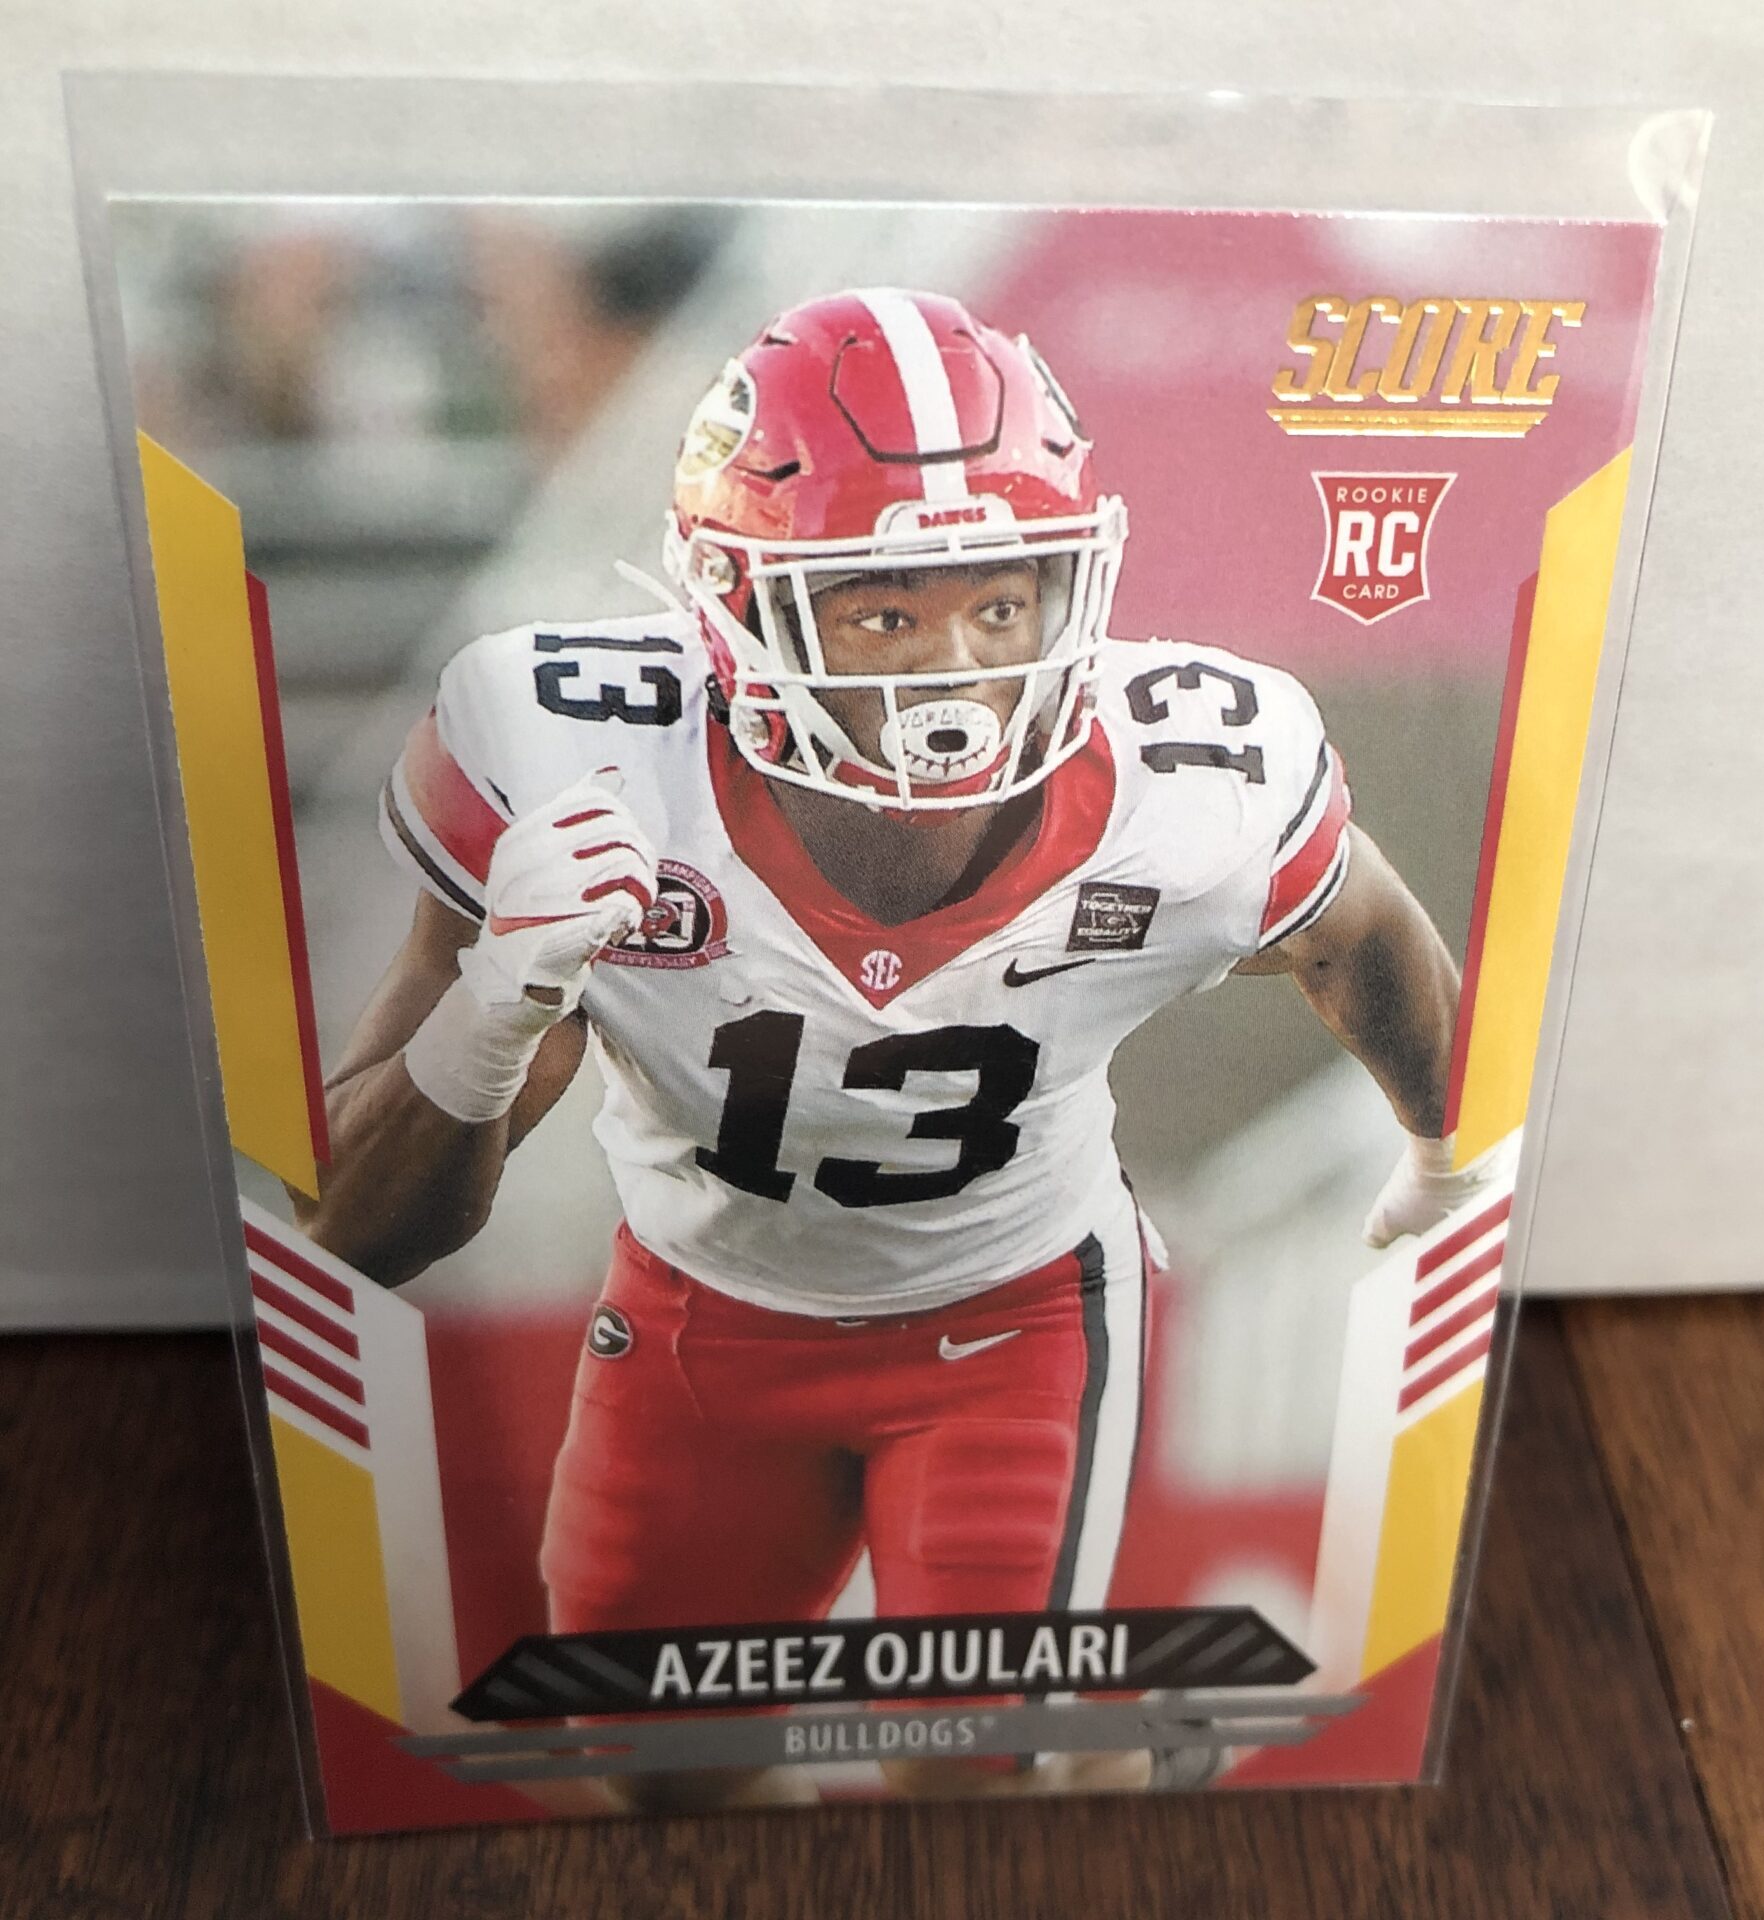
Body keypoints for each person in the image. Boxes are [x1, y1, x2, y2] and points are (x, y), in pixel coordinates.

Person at [302, 287, 1501, 1804]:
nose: (957, 673)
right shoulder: (578, 761)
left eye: (1001, 606)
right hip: (700, 1318)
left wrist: (1445, 1146)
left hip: (1015, 1318)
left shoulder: (1192, 783)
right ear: (736, 605)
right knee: (659, 1774)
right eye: (884, 612)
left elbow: (1359, 935)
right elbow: (360, 1231)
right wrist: (495, 1007)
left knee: (970, 1773)